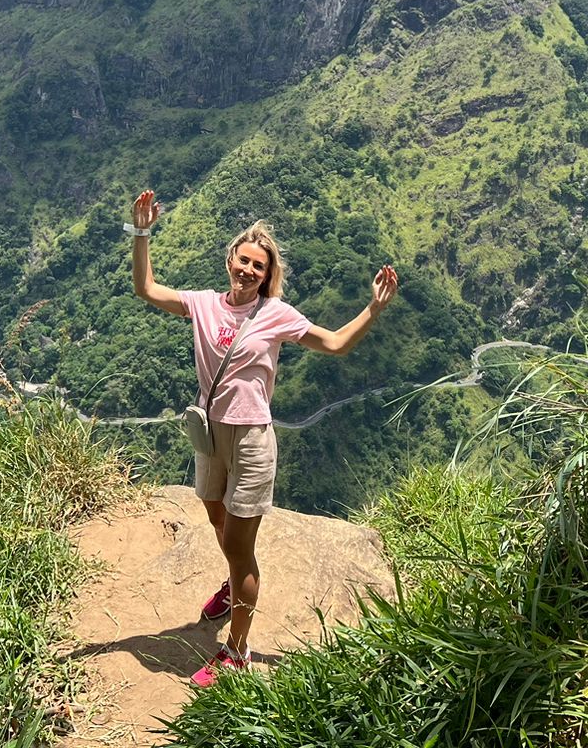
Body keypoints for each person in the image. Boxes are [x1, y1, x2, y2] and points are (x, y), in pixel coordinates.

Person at [128, 188, 399, 687]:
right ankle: (234, 589)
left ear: (268, 274)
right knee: (214, 514)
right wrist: (142, 232)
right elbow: (146, 287)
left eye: (259, 266)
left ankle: (236, 648)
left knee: (238, 546)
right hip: (211, 436)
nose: (249, 270)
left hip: (252, 439)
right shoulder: (204, 305)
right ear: (230, 259)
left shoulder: (276, 314)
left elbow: (335, 344)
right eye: (244, 260)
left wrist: (373, 309)